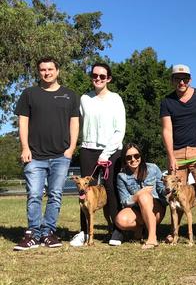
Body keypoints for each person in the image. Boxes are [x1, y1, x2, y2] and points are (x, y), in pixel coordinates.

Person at [14, 57, 80, 251]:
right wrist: (25, 148)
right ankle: (33, 234)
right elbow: (23, 121)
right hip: (34, 156)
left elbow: (74, 122)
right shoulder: (29, 94)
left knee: (55, 195)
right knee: (34, 194)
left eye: (50, 69)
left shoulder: (70, 95)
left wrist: (71, 149)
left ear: (57, 71)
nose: (47, 73)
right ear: (38, 72)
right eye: (42, 70)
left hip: (61, 156)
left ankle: (48, 233)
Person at [160, 64, 196, 242]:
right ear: (172, 80)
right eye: (177, 78)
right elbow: (166, 130)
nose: (181, 81)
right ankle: (174, 233)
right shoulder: (167, 101)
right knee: (174, 196)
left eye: (185, 78)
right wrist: (170, 156)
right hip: (176, 153)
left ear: (190, 79)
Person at [70, 62, 126, 247]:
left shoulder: (116, 99)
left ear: (108, 78)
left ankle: (117, 230)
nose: (98, 79)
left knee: (111, 189)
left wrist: (106, 153)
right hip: (88, 149)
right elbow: (75, 123)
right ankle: (84, 232)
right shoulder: (84, 99)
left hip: (112, 150)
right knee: (84, 191)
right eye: (95, 75)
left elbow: (120, 130)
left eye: (102, 76)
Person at [115, 143, 167, 249]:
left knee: (144, 196)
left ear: (141, 156)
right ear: (124, 159)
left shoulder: (153, 168)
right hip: (137, 210)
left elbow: (162, 190)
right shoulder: (121, 176)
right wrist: (137, 195)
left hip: (156, 209)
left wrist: (168, 189)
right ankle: (140, 229)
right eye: (129, 157)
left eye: (136, 156)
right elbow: (124, 201)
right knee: (120, 220)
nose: (133, 159)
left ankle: (152, 238)